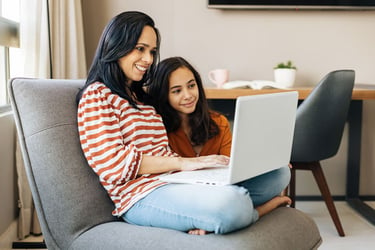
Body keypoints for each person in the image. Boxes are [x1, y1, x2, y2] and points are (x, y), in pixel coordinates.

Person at [77, 11, 289, 236]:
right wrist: (182, 163)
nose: (148, 59)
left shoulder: (142, 99)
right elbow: (112, 165)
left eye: (152, 51)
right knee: (232, 205)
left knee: (279, 174)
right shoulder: (97, 95)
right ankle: (254, 212)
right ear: (116, 44)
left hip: (174, 181)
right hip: (139, 196)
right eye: (140, 49)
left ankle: (215, 214)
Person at [148, 56, 292, 233]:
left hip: (222, 190)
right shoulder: (157, 129)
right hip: (189, 196)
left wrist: (264, 163)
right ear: (164, 95)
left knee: (281, 173)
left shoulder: (218, 122)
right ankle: (257, 211)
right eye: (177, 91)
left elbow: (233, 168)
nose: (188, 95)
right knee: (234, 201)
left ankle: (227, 214)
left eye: (191, 86)